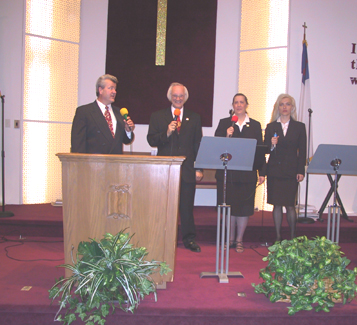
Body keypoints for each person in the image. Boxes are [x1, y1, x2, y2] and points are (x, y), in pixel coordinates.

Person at [147, 82, 204, 252]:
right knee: (163, 206)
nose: (178, 99)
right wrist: (167, 133)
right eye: (175, 96)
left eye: (181, 96)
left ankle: (189, 239)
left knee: (186, 207)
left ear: (185, 98)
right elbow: (151, 140)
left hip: (187, 170)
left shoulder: (194, 117)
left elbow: (197, 144)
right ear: (170, 97)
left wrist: (199, 168)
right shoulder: (158, 116)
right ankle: (162, 237)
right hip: (165, 170)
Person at [214, 93, 265, 253]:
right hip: (228, 172)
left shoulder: (255, 125)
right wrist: (226, 135)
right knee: (229, 206)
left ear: (246, 105)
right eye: (236, 102)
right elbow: (216, 146)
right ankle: (229, 239)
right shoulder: (225, 123)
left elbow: (260, 151)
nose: (239, 105)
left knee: (243, 207)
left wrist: (262, 172)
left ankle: (239, 239)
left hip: (247, 173)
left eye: (242, 102)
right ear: (233, 105)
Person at [264, 94, 306, 242]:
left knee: (290, 205)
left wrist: (301, 170)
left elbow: (302, 151)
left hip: (291, 170)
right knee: (276, 205)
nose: (284, 107)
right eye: (282, 104)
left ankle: (293, 237)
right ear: (278, 107)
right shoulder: (271, 127)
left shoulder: (299, 127)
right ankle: (278, 237)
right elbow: (266, 150)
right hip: (275, 170)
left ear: (292, 107)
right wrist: (272, 143)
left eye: (288, 104)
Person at [71, 74, 135, 154]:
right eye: (110, 88)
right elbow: (78, 143)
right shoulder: (84, 112)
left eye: (115, 89)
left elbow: (126, 140)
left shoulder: (118, 112)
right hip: (94, 163)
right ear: (100, 90)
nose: (114, 92)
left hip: (116, 163)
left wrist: (128, 131)